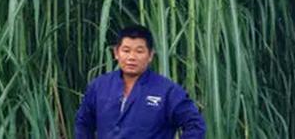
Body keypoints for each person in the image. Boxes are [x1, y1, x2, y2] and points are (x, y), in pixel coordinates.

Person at [75, 25, 206, 138]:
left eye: (139, 51)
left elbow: (195, 125)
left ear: (150, 55)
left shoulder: (167, 91)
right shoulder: (99, 86)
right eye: (126, 50)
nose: (131, 57)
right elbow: (83, 123)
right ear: (116, 53)